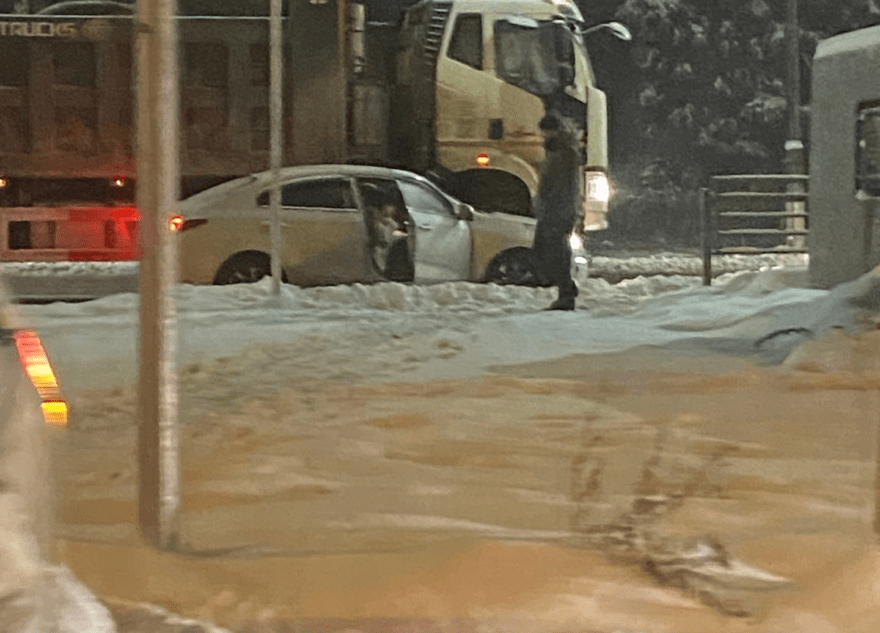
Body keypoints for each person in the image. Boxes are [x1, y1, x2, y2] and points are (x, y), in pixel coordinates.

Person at [532, 111, 581, 310]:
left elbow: (559, 184)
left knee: (555, 252)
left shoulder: (565, 152)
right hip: (555, 209)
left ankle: (566, 292)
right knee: (548, 251)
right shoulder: (559, 150)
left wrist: (548, 205)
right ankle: (567, 288)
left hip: (558, 210)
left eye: (546, 132)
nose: (543, 136)